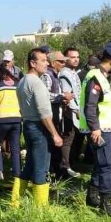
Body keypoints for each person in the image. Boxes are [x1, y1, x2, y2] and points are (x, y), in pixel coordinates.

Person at [82, 42, 111, 216]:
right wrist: (95, 128)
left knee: (101, 164)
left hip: (106, 127)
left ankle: (92, 195)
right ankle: (106, 204)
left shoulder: (103, 76)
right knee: (107, 165)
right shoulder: (96, 78)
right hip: (101, 129)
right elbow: (90, 106)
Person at [17, 48, 64, 207]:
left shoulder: (22, 81)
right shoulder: (36, 83)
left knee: (29, 164)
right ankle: (40, 207)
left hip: (27, 124)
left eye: (46, 60)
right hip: (39, 127)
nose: (47, 64)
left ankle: (16, 201)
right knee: (41, 166)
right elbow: (44, 112)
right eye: (43, 61)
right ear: (32, 63)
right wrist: (55, 134)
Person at [0, 66, 22, 186]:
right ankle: (17, 174)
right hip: (17, 119)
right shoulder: (17, 85)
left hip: (1, 120)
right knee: (15, 148)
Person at [59, 47, 84, 177]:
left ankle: (71, 163)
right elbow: (67, 95)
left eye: (77, 57)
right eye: (72, 57)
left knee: (74, 138)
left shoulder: (73, 72)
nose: (76, 59)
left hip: (77, 110)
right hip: (70, 112)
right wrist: (76, 110)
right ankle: (65, 167)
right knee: (68, 139)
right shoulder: (65, 74)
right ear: (66, 58)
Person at [45, 50, 68, 178]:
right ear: (53, 63)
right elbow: (45, 95)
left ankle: (57, 171)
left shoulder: (55, 74)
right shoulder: (47, 75)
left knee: (55, 144)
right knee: (52, 144)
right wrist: (62, 96)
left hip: (55, 115)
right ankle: (52, 171)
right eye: (61, 61)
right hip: (50, 116)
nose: (64, 64)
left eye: (64, 61)